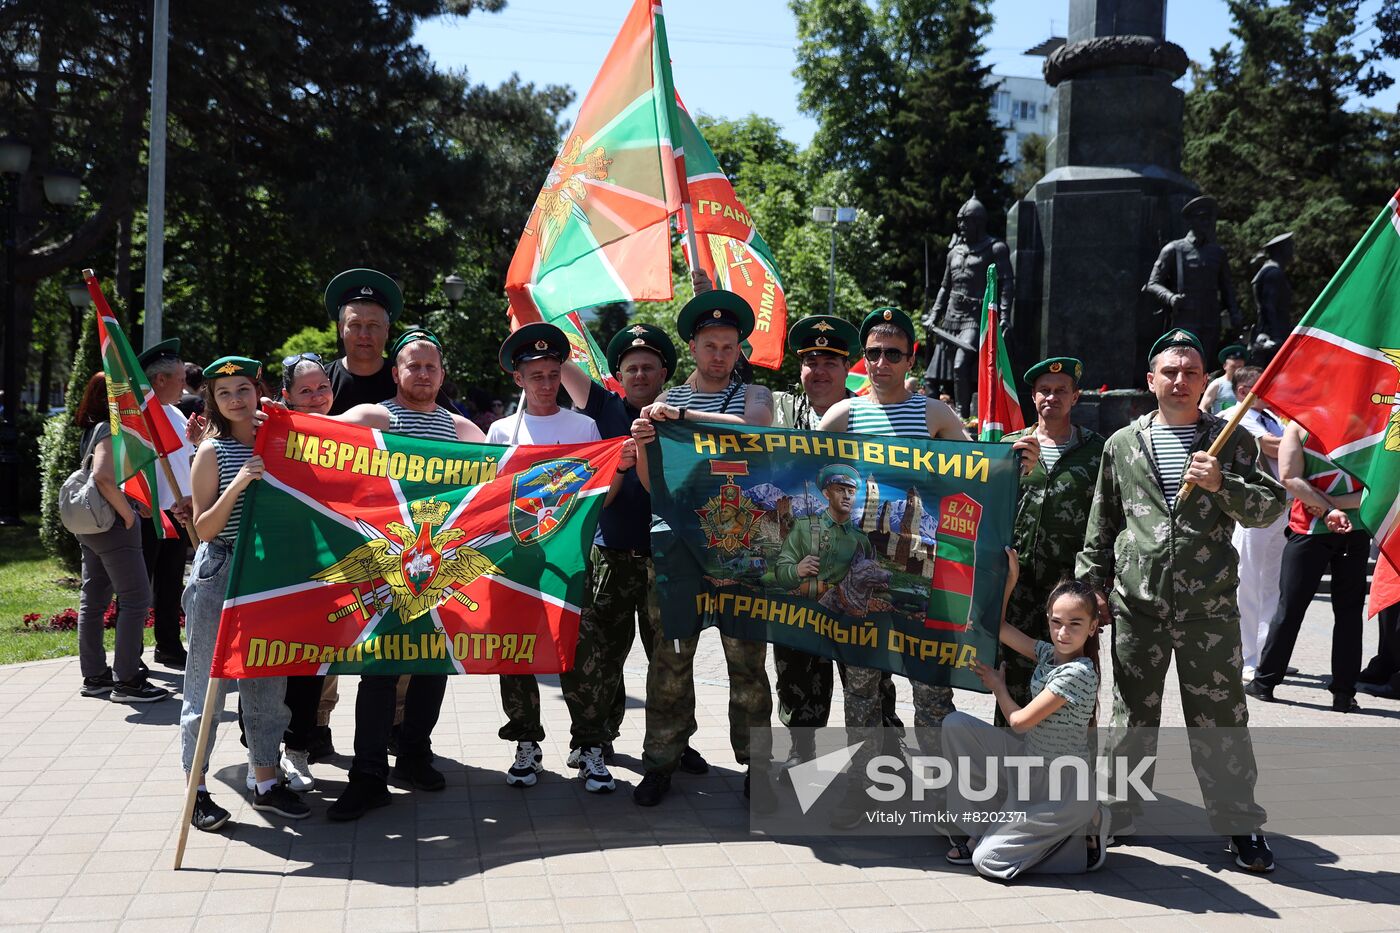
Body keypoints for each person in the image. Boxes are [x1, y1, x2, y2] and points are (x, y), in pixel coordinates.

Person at [817, 306, 1039, 829]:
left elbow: (976, 478)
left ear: (910, 358)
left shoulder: (935, 415)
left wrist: (1011, 463)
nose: (880, 363)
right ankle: (864, 787)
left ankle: (944, 798)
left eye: (892, 354)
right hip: (862, 574)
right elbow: (800, 470)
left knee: (931, 689)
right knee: (861, 689)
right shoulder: (843, 416)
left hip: (922, 575)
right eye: (872, 353)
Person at [1076, 328, 1285, 873]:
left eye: (1190, 371)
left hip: (1208, 612)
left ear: (1203, 380)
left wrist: (1223, 485)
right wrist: (1092, 590)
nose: (1180, 379)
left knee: (1220, 722)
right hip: (1137, 608)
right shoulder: (1122, 444)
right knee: (1131, 721)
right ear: (1151, 381)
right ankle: (1120, 814)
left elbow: (1269, 508)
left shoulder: (1230, 440)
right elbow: (1102, 524)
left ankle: (1240, 826)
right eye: (1170, 371)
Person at [311, 327, 487, 820]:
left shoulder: (461, 429)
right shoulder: (375, 416)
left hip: (441, 568)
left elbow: (508, 472)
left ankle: (413, 755)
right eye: (414, 365)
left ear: (443, 374)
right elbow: (312, 438)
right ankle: (368, 774)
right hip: (386, 566)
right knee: (380, 669)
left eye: (432, 366)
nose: (424, 374)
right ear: (397, 373)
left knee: (433, 665)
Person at [629, 288, 775, 808]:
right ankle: (660, 762)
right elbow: (653, 485)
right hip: (679, 549)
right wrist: (646, 440)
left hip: (744, 549)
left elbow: (757, 428)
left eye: (729, 346)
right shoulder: (664, 403)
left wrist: (684, 421)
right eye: (710, 345)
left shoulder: (754, 395)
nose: (720, 355)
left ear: (740, 351)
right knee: (669, 661)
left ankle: (759, 770)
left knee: (748, 666)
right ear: (692, 346)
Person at [556, 323, 713, 793]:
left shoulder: (682, 415)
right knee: (599, 656)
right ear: (618, 374)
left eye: (649, 367)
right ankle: (595, 737)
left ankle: (674, 742)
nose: (640, 373)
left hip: (668, 559)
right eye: (631, 367)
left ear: (664, 371)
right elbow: (560, 361)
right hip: (611, 554)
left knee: (671, 658)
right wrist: (526, 303)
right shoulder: (601, 407)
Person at [182, 356, 309, 832]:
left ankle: (265, 780)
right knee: (206, 688)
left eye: (243, 389)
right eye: (224, 392)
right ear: (213, 400)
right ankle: (196, 790)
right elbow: (204, 527)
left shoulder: (282, 442)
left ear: (258, 392)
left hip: (269, 571)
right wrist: (240, 481)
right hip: (222, 569)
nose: (236, 399)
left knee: (267, 683)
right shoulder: (211, 452)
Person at [769, 316, 901, 771]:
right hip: (800, 566)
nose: (818, 370)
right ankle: (802, 754)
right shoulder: (779, 412)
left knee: (868, 670)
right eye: (809, 361)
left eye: (830, 361)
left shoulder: (869, 415)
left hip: (857, 566)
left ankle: (884, 754)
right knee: (795, 665)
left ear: (849, 368)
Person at [484, 323, 606, 790]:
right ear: (519, 379)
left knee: (578, 650)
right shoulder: (501, 430)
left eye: (553, 373)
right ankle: (526, 742)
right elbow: (486, 499)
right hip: (516, 558)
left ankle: (589, 744)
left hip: (569, 557)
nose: (547, 383)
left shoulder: (584, 426)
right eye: (536, 375)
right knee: (515, 650)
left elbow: (596, 494)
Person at [943, 552, 1110, 878]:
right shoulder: (1049, 653)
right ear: (1048, 618)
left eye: (1075, 624)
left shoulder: (1078, 673)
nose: (1063, 632)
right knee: (956, 725)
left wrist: (998, 687)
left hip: (1062, 789)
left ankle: (1084, 828)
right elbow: (1000, 627)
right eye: (1056, 622)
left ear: (1092, 627)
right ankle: (976, 830)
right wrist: (1010, 583)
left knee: (987, 862)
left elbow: (1019, 723)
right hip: (1029, 766)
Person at [998, 358, 1105, 719]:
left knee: (1073, 686)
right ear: (1033, 396)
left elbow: (1108, 520)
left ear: (1075, 397)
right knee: (1013, 675)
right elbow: (986, 506)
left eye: (1061, 390)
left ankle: (1069, 767)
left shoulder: (1097, 451)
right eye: (1044, 390)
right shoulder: (1009, 447)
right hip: (1018, 586)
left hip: (1072, 592)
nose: (1052, 397)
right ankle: (1006, 767)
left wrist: (1101, 585)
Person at [1247, 421, 1368, 712]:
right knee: (1350, 614)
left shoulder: (1300, 426)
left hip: (1310, 529)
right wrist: (1338, 505)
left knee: (1289, 609)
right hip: (1356, 528)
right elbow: (1377, 487)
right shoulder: (1368, 427)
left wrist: (1326, 506)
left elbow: (1289, 477)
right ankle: (1344, 694)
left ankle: (1264, 683)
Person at [72, 373, 171, 704]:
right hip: (112, 525)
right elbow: (102, 476)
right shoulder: (108, 430)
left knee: (94, 599)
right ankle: (127, 680)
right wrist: (127, 514)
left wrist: (136, 504)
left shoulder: (91, 428)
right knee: (136, 599)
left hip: (91, 526)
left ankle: (95, 676)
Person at [137, 338, 195, 669]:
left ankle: (169, 646)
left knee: (171, 582)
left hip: (176, 513)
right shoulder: (139, 415)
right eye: (179, 377)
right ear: (160, 380)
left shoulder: (174, 411)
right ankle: (130, 656)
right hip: (147, 512)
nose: (184, 383)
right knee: (138, 589)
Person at [1226, 366, 1287, 679]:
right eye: (1264, 387)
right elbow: (1274, 446)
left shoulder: (1274, 418)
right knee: (1247, 581)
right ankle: (1246, 656)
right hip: (1251, 510)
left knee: (1271, 583)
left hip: (1280, 507)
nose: (1272, 392)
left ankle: (1265, 652)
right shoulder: (1231, 417)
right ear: (1242, 391)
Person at [1145, 195, 1242, 365]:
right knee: (1183, 361)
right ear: (1190, 221)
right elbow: (1152, 283)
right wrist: (1170, 297)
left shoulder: (1218, 253)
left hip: (1211, 318)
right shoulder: (1174, 249)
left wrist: (1235, 314)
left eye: (1208, 218)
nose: (1206, 223)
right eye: (1201, 218)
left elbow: (1227, 287)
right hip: (1185, 317)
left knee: (1206, 364)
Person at [1200, 344, 1247, 414]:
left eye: (1240, 367)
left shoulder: (1247, 385)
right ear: (1225, 366)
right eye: (1233, 367)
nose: (1237, 370)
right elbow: (1202, 407)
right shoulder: (1217, 384)